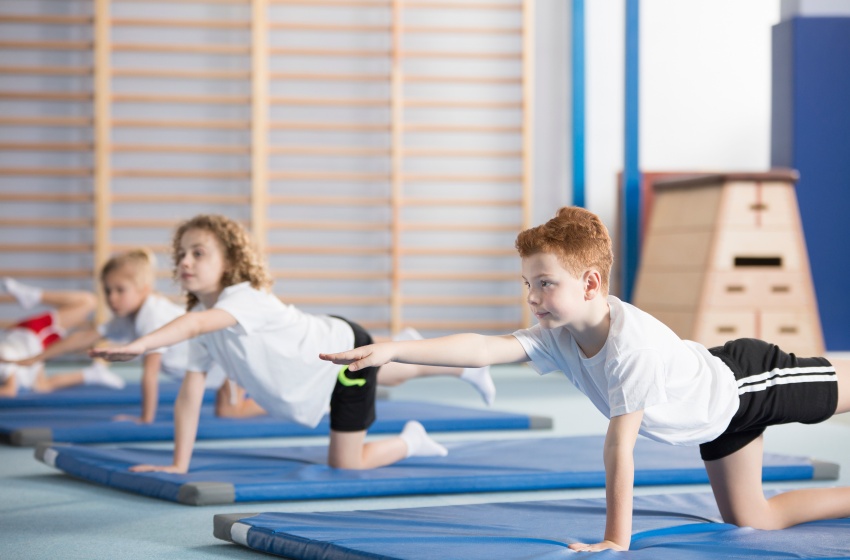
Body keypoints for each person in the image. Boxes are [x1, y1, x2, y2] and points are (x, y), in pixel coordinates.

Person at [319, 205, 850, 551]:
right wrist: (392, 349)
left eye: (545, 284)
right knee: (755, 521)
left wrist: (615, 541)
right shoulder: (560, 336)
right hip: (714, 425)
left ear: (591, 282)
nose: (532, 297)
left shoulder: (629, 349)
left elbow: (620, 447)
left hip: (744, 383)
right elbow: (483, 347)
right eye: (528, 283)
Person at [90, 214, 488, 472]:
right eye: (181, 255)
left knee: (346, 463)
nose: (186, 262)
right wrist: (179, 464)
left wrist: (142, 346)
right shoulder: (205, 320)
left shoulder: (244, 297)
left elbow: (194, 324)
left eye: (198, 253)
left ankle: (411, 440)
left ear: (228, 262)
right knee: (393, 374)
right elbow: (189, 396)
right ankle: (449, 361)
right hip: (318, 369)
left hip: (338, 356)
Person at [11, 249, 231, 423]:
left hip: (225, 363)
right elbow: (81, 338)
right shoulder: (127, 316)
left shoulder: (152, 315)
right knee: (226, 410)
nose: (111, 298)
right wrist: (36, 358)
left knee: (232, 410)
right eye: (107, 291)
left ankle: (266, 406)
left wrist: (145, 418)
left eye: (120, 290)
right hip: (214, 370)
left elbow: (150, 375)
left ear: (143, 289)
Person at [0, 277, 125, 397]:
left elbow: (10, 390)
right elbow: (11, 389)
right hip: (29, 347)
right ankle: (92, 374)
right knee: (41, 386)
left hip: (30, 336)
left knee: (88, 302)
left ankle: (34, 295)